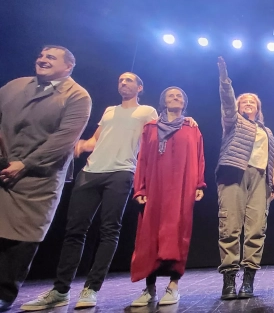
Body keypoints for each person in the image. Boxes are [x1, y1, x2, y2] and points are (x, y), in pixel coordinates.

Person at [20, 72, 196, 311]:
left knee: (109, 231)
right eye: (120, 80)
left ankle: (91, 288)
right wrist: (75, 145)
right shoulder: (109, 111)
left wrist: (189, 121)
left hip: (122, 171)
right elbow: (94, 140)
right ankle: (60, 290)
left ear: (140, 88)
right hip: (91, 171)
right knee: (74, 231)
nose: (123, 83)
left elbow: (166, 129)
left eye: (129, 80)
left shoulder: (148, 113)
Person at [0, 46, 91, 312]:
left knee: (22, 236)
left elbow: (64, 139)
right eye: (40, 55)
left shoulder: (77, 95)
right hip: (4, 166)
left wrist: (26, 163)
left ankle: (4, 292)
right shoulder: (15, 86)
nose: (42, 59)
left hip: (39, 177)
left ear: (68, 66)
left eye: (51, 57)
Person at [129, 87, 206, 307]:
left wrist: (200, 183)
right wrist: (140, 189)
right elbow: (142, 158)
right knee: (149, 235)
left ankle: (173, 286)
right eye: (171, 95)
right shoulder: (150, 128)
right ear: (163, 101)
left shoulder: (191, 128)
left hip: (182, 187)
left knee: (178, 233)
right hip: (155, 188)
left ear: (184, 103)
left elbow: (199, 156)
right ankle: (149, 288)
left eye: (180, 95)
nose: (175, 97)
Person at [215, 57, 274, 300]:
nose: (248, 103)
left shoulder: (267, 131)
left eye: (253, 102)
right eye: (244, 101)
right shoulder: (233, 121)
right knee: (230, 226)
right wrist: (224, 79)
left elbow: (272, 158)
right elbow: (227, 103)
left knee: (255, 229)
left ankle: (249, 279)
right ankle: (229, 279)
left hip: (260, 180)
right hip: (235, 174)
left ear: (258, 108)